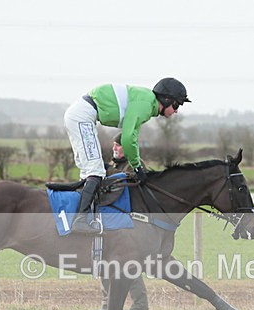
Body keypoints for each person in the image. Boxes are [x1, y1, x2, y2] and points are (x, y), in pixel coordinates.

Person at [63, 77, 190, 234]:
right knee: (95, 171)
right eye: (176, 105)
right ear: (165, 99)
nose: (176, 110)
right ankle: (80, 221)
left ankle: (86, 216)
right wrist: (137, 167)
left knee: (89, 172)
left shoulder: (146, 104)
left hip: (80, 116)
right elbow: (128, 139)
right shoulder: (145, 104)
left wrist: (137, 166)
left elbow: (132, 138)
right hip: (82, 117)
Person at [93, 133, 149, 310]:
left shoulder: (136, 166)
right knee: (105, 263)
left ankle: (140, 307)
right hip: (112, 222)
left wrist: (107, 171)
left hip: (130, 225)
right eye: (114, 145)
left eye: (118, 145)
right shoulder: (115, 166)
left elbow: (124, 185)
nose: (114, 148)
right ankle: (107, 305)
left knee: (128, 266)